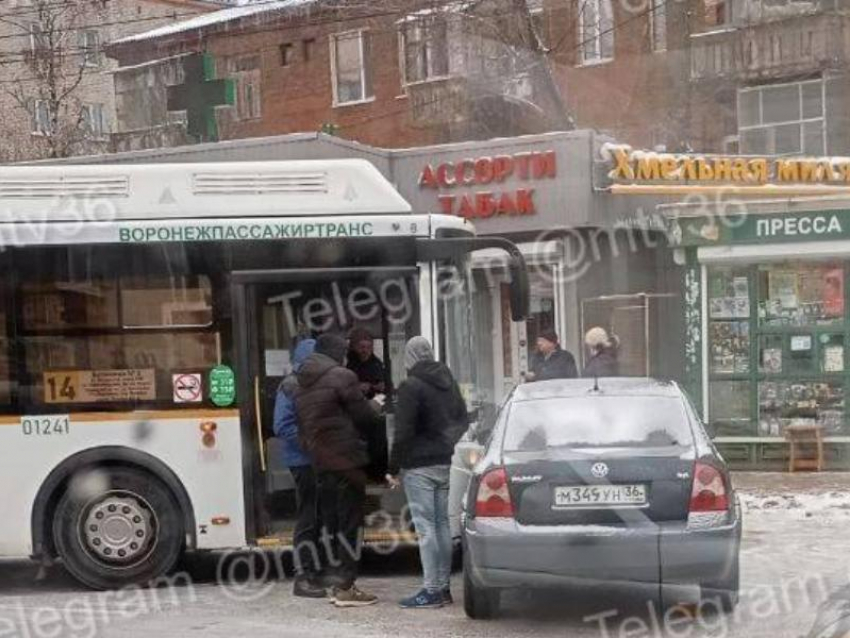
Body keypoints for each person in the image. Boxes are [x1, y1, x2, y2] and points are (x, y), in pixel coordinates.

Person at [294, 333, 379, 608]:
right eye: (344, 352)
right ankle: (346, 587)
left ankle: (335, 581)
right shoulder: (343, 376)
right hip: (347, 461)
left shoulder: (300, 383)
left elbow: (303, 428)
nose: (346, 357)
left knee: (331, 524)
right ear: (336, 353)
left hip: (321, 463)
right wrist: (374, 406)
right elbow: (365, 417)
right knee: (350, 524)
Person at [386, 337, 468, 609]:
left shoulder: (411, 386)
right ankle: (443, 588)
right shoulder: (448, 381)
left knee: (426, 529)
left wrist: (392, 467)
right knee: (443, 525)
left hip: (419, 466)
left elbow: (403, 432)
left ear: (409, 358)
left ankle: (431, 590)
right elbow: (463, 419)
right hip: (444, 462)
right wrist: (447, 444)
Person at [272, 338, 325, 598]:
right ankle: (303, 576)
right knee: (307, 519)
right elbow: (282, 426)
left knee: (317, 517)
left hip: (314, 460)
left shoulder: (309, 384)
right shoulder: (291, 386)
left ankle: (314, 570)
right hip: (303, 461)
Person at [346, 328, 387, 399]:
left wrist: (381, 386)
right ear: (353, 347)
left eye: (369, 347)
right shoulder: (347, 363)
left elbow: (384, 383)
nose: (365, 351)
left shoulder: (377, 364)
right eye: (361, 347)